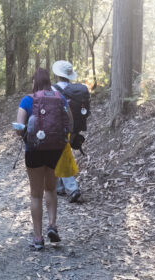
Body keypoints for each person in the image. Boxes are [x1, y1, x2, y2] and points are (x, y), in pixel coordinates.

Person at [15, 68, 72, 250]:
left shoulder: (27, 100)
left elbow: (19, 129)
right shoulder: (60, 98)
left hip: (34, 151)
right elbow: (70, 123)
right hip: (56, 150)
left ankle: (38, 238)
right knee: (51, 189)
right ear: (49, 81)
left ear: (35, 82)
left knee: (35, 194)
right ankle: (52, 226)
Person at [51, 60, 88, 203]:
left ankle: (73, 189)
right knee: (60, 154)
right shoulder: (76, 90)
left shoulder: (53, 90)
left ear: (57, 75)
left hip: (59, 127)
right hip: (74, 127)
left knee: (62, 155)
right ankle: (59, 187)